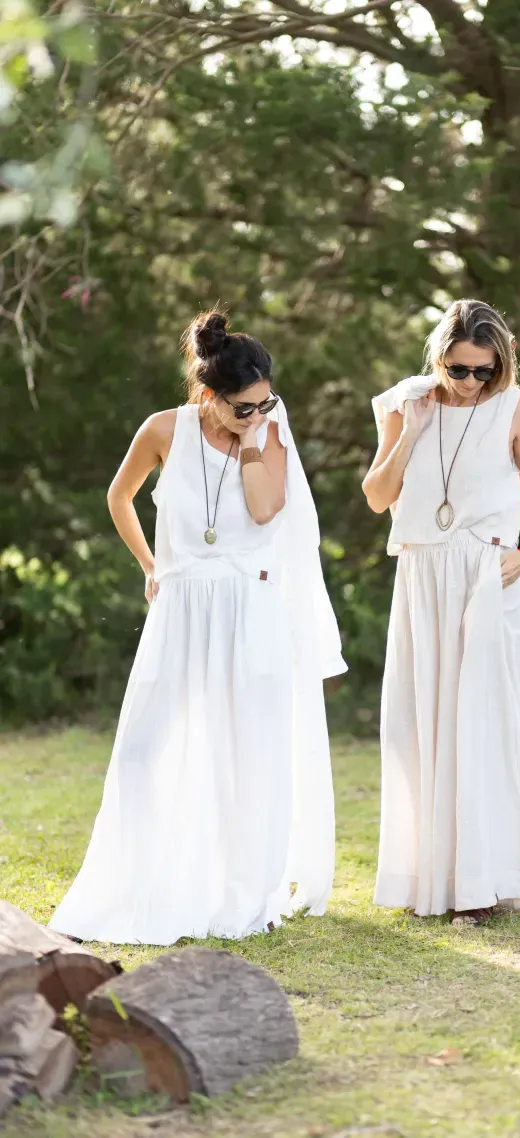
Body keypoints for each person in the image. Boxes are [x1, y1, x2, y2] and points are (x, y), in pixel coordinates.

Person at [50, 310, 346, 945]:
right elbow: (118, 497)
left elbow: (267, 511)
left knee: (250, 757)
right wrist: (151, 565)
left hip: (251, 609)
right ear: (207, 396)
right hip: (182, 610)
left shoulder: (269, 437)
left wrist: (254, 441)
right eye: (243, 407)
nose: (258, 414)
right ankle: (144, 882)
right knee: (142, 751)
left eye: (267, 402)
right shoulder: (163, 430)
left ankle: (240, 895)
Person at [362, 299, 520, 926]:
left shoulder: (517, 407)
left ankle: (481, 883)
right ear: (439, 358)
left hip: (488, 573)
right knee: (419, 723)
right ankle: (433, 876)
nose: (473, 382)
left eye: (485, 370)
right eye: (460, 369)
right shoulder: (406, 403)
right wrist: (411, 432)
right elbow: (378, 498)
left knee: (480, 722)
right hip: (422, 574)